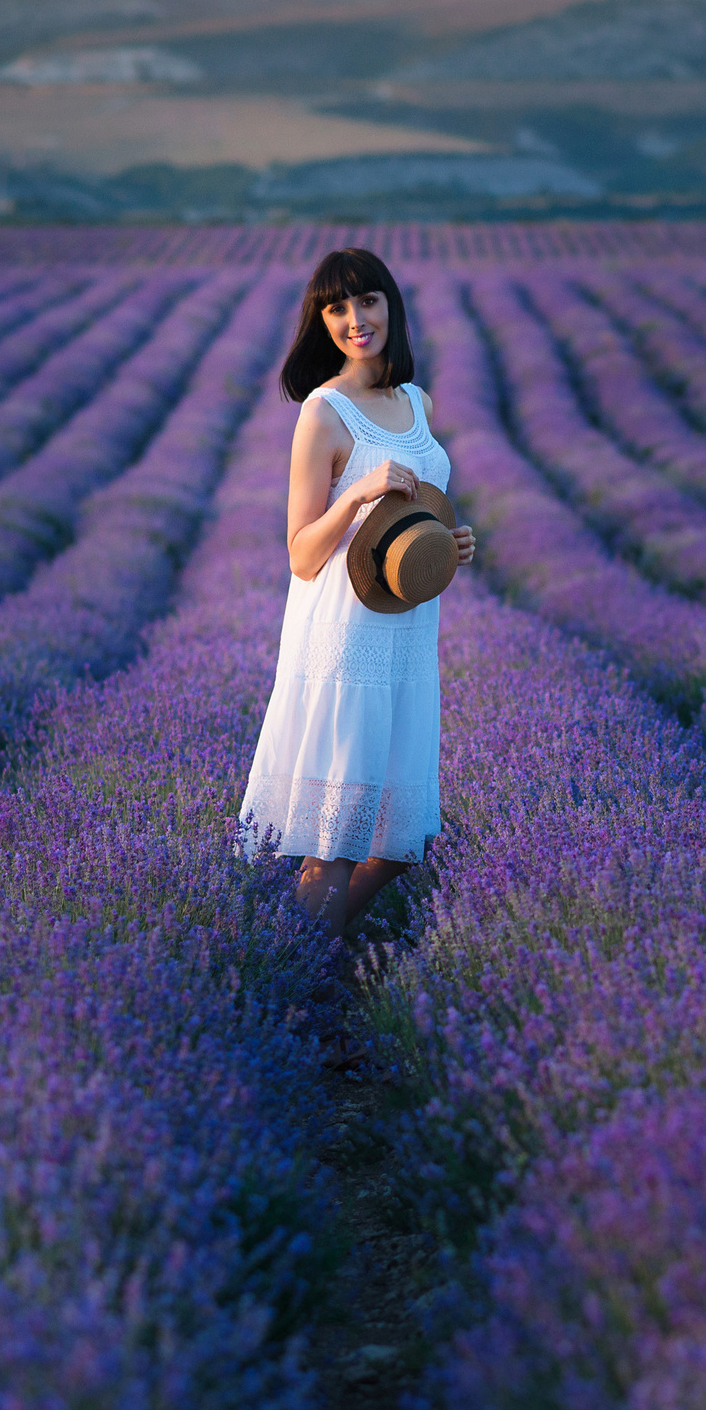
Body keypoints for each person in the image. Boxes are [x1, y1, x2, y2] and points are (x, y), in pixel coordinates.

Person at [238, 248, 475, 939]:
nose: (354, 319)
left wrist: (449, 545)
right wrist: (359, 495)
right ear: (321, 322)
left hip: (405, 637)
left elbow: (416, 513)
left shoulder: (415, 401)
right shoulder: (324, 412)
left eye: (366, 300)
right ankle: (310, 983)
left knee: (399, 841)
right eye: (335, 308)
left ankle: (305, 954)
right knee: (335, 839)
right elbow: (302, 552)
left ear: (390, 305)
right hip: (344, 641)